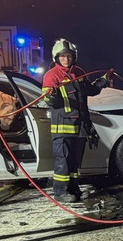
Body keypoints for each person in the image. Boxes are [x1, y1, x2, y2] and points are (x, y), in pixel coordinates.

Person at [42, 39, 108, 202]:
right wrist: (52, 96)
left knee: (75, 161)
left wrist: (103, 81)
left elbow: (90, 90)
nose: (66, 59)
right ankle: (60, 192)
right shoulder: (51, 76)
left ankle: (73, 188)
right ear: (56, 58)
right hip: (62, 128)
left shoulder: (78, 72)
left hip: (80, 127)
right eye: (63, 56)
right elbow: (50, 101)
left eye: (69, 56)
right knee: (63, 160)